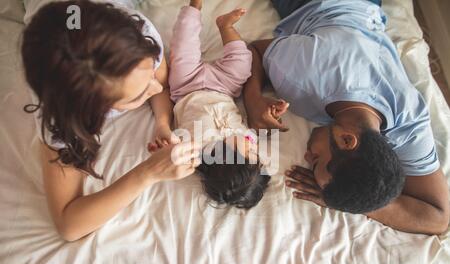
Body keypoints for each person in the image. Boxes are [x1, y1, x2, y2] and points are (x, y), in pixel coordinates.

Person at [243, 0, 449, 234]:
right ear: (347, 140)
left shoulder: (408, 122)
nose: (307, 156)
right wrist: (253, 101)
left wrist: (350, 201)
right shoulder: (303, 76)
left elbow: (438, 218)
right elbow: (255, 51)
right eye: (316, 160)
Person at [22, 0, 199, 242]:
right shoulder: (59, 117)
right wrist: (149, 172)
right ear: (93, 111)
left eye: (149, 73)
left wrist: (162, 123)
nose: (157, 86)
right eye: (137, 96)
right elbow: (69, 224)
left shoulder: (139, 36)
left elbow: (161, 86)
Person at [150, 0, 270, 208]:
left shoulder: (194, 150)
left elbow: (171, 150)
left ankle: (193, 9)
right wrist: (272, 111)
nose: (254, 148)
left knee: (183, 46)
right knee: (243, 63)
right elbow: (257, 125)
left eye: (250, 154)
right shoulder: (249, 139)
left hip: (186, 86)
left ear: (227, 157)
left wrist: (165, 145)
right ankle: (226, 27)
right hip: (225, 87)